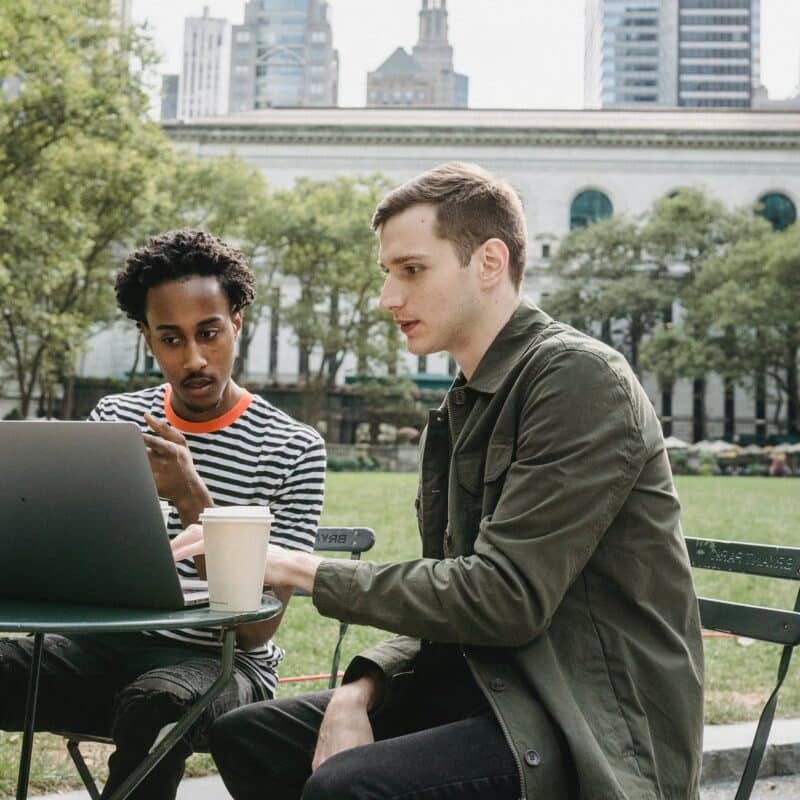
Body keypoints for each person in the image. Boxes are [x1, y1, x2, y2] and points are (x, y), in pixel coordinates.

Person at [175, 163, 704, 799]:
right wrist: (359, 687)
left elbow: (503, 596)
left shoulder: (577, 380)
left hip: (582, 720)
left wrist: (294, 567)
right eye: (387, 274)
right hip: (486, 686)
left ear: (488, 262)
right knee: (248, 736)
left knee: (350, 786)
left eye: (412, 270)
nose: (387, 297)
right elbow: (455, 595)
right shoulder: (465, 401)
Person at [0, 229, 326, 800]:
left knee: (157, 704)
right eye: (171, 339)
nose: (194, 359)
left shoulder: (293, 446)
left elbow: (255, 630)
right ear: (147, 338)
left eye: (209, 333)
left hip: (221, 666)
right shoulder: (117, 418)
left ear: (237, 324)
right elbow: (77, 568)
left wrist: (190, 495)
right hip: (100, 649)